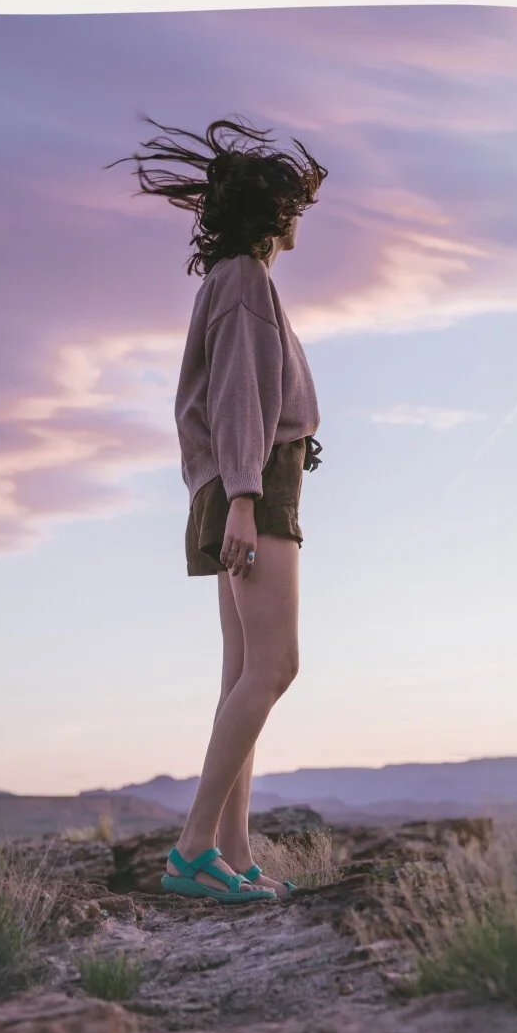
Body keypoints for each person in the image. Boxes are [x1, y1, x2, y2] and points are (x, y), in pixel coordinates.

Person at [114, 117, 327, 902]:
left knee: (244, 670)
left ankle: (230, 853)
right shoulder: (244, 279)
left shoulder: (231, 279)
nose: (300, 220)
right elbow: (241, 393)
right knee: (276, 665)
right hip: (253, 483)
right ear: (273, 214)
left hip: (234, 483)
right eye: (294, 207)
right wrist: (244, 497)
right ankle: (193, 847)